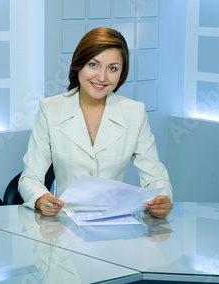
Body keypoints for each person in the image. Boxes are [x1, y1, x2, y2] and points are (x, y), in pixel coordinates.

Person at [18, 27, 172, 219]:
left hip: (114, 225)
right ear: (79, 64)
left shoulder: (134, 113)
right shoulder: (50, 110)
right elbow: (30, 178)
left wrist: (162, 198)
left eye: (112, 68)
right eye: (93, 64)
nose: (101, 77)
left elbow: (155, 177)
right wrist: (40, 197)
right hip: (63, 226)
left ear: (121, 73)